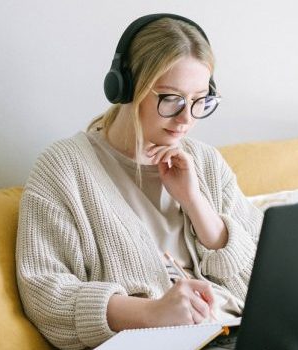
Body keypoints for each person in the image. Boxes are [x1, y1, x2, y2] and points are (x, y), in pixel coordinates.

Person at [15, 13, 263, 349]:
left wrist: (196, 204)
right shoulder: (64, 169)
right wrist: (151, 313)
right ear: (127, 88)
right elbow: (45, 294)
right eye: (171, 99)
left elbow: (265, 282)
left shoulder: (205, 162)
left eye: (199, 100)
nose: (186, 119)